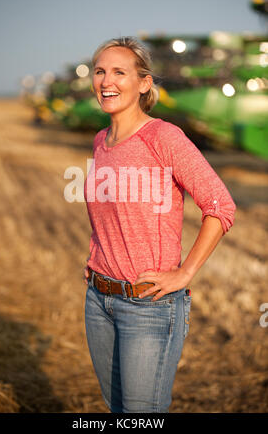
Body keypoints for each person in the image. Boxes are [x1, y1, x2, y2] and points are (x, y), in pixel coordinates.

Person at [82, 36, 236, 413]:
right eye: (100, 71)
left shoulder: (163, 137)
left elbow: (220, 206)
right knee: (118, 411)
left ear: (144, 83)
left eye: (120, 72)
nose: (107, 81)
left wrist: (185, 273)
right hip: (99, 301)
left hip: (147, 307)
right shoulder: (101, 140)